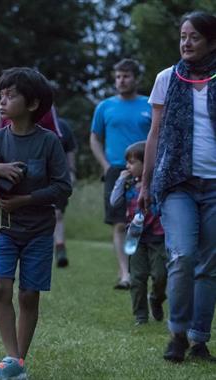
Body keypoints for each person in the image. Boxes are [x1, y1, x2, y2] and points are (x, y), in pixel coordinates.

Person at [0, 67, 72, 379]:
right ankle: (12, 360)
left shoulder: (49, 143)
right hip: (2, 228)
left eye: (10, 95)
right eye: (1, 95)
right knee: (0, 288)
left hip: (39, 232)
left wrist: (26, 200)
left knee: (29, 294)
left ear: (32, 105)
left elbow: (63, 187)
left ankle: (17, 362)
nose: (2, 101)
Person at [139, 11, 216, 363]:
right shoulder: (166, 78)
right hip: (176, 183)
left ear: (211, 41)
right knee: (183, 256)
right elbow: (154, 134)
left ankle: (200, 339)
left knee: (208, 266)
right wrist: (145, 182)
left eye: (194, 36)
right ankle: (177, 334)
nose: (186, 42)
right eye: (183, 36)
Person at [90, 58, 152, 290]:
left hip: (147, 169)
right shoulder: (105, 107)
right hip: (116, 169)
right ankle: (125, 274)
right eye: (117, 76)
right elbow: (94, 138)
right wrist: (105, 166)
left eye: (126, 76)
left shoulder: (149, 104)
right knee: (118, 222)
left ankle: (145, 268)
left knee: (146, 220)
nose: (121, 81)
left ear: (136, 78)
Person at [110, 141, 166, 326]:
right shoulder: (127, 185)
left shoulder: (157, 184)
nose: (127, 166)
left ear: (147, 163)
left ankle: (156, 299)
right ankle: (141, 315)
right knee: (138, 277)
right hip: (136, 238)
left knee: (161, 275)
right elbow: (114, 202)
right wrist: (120, 180)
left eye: (132, 162)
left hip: (158, 237)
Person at [54, 115, 77, 267]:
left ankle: (60, 247)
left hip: (58, 176)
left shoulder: (62, 125)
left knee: (58, 213)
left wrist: (72, 171)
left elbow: (70, 149)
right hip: (35, 177)